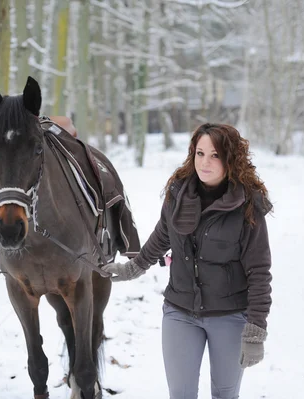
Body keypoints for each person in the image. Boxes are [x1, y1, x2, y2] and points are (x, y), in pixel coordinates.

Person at [101, 123, 273, 399]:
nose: (205, 163)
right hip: (180, 312)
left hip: (228, 316)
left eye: (215, 155)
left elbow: (259, 272)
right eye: (200, 153)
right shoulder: (179, 194)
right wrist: (133, 267)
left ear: (231, 159)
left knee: (225, 394)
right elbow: (162, 237)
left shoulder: (247, 206)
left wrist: (255, 330)